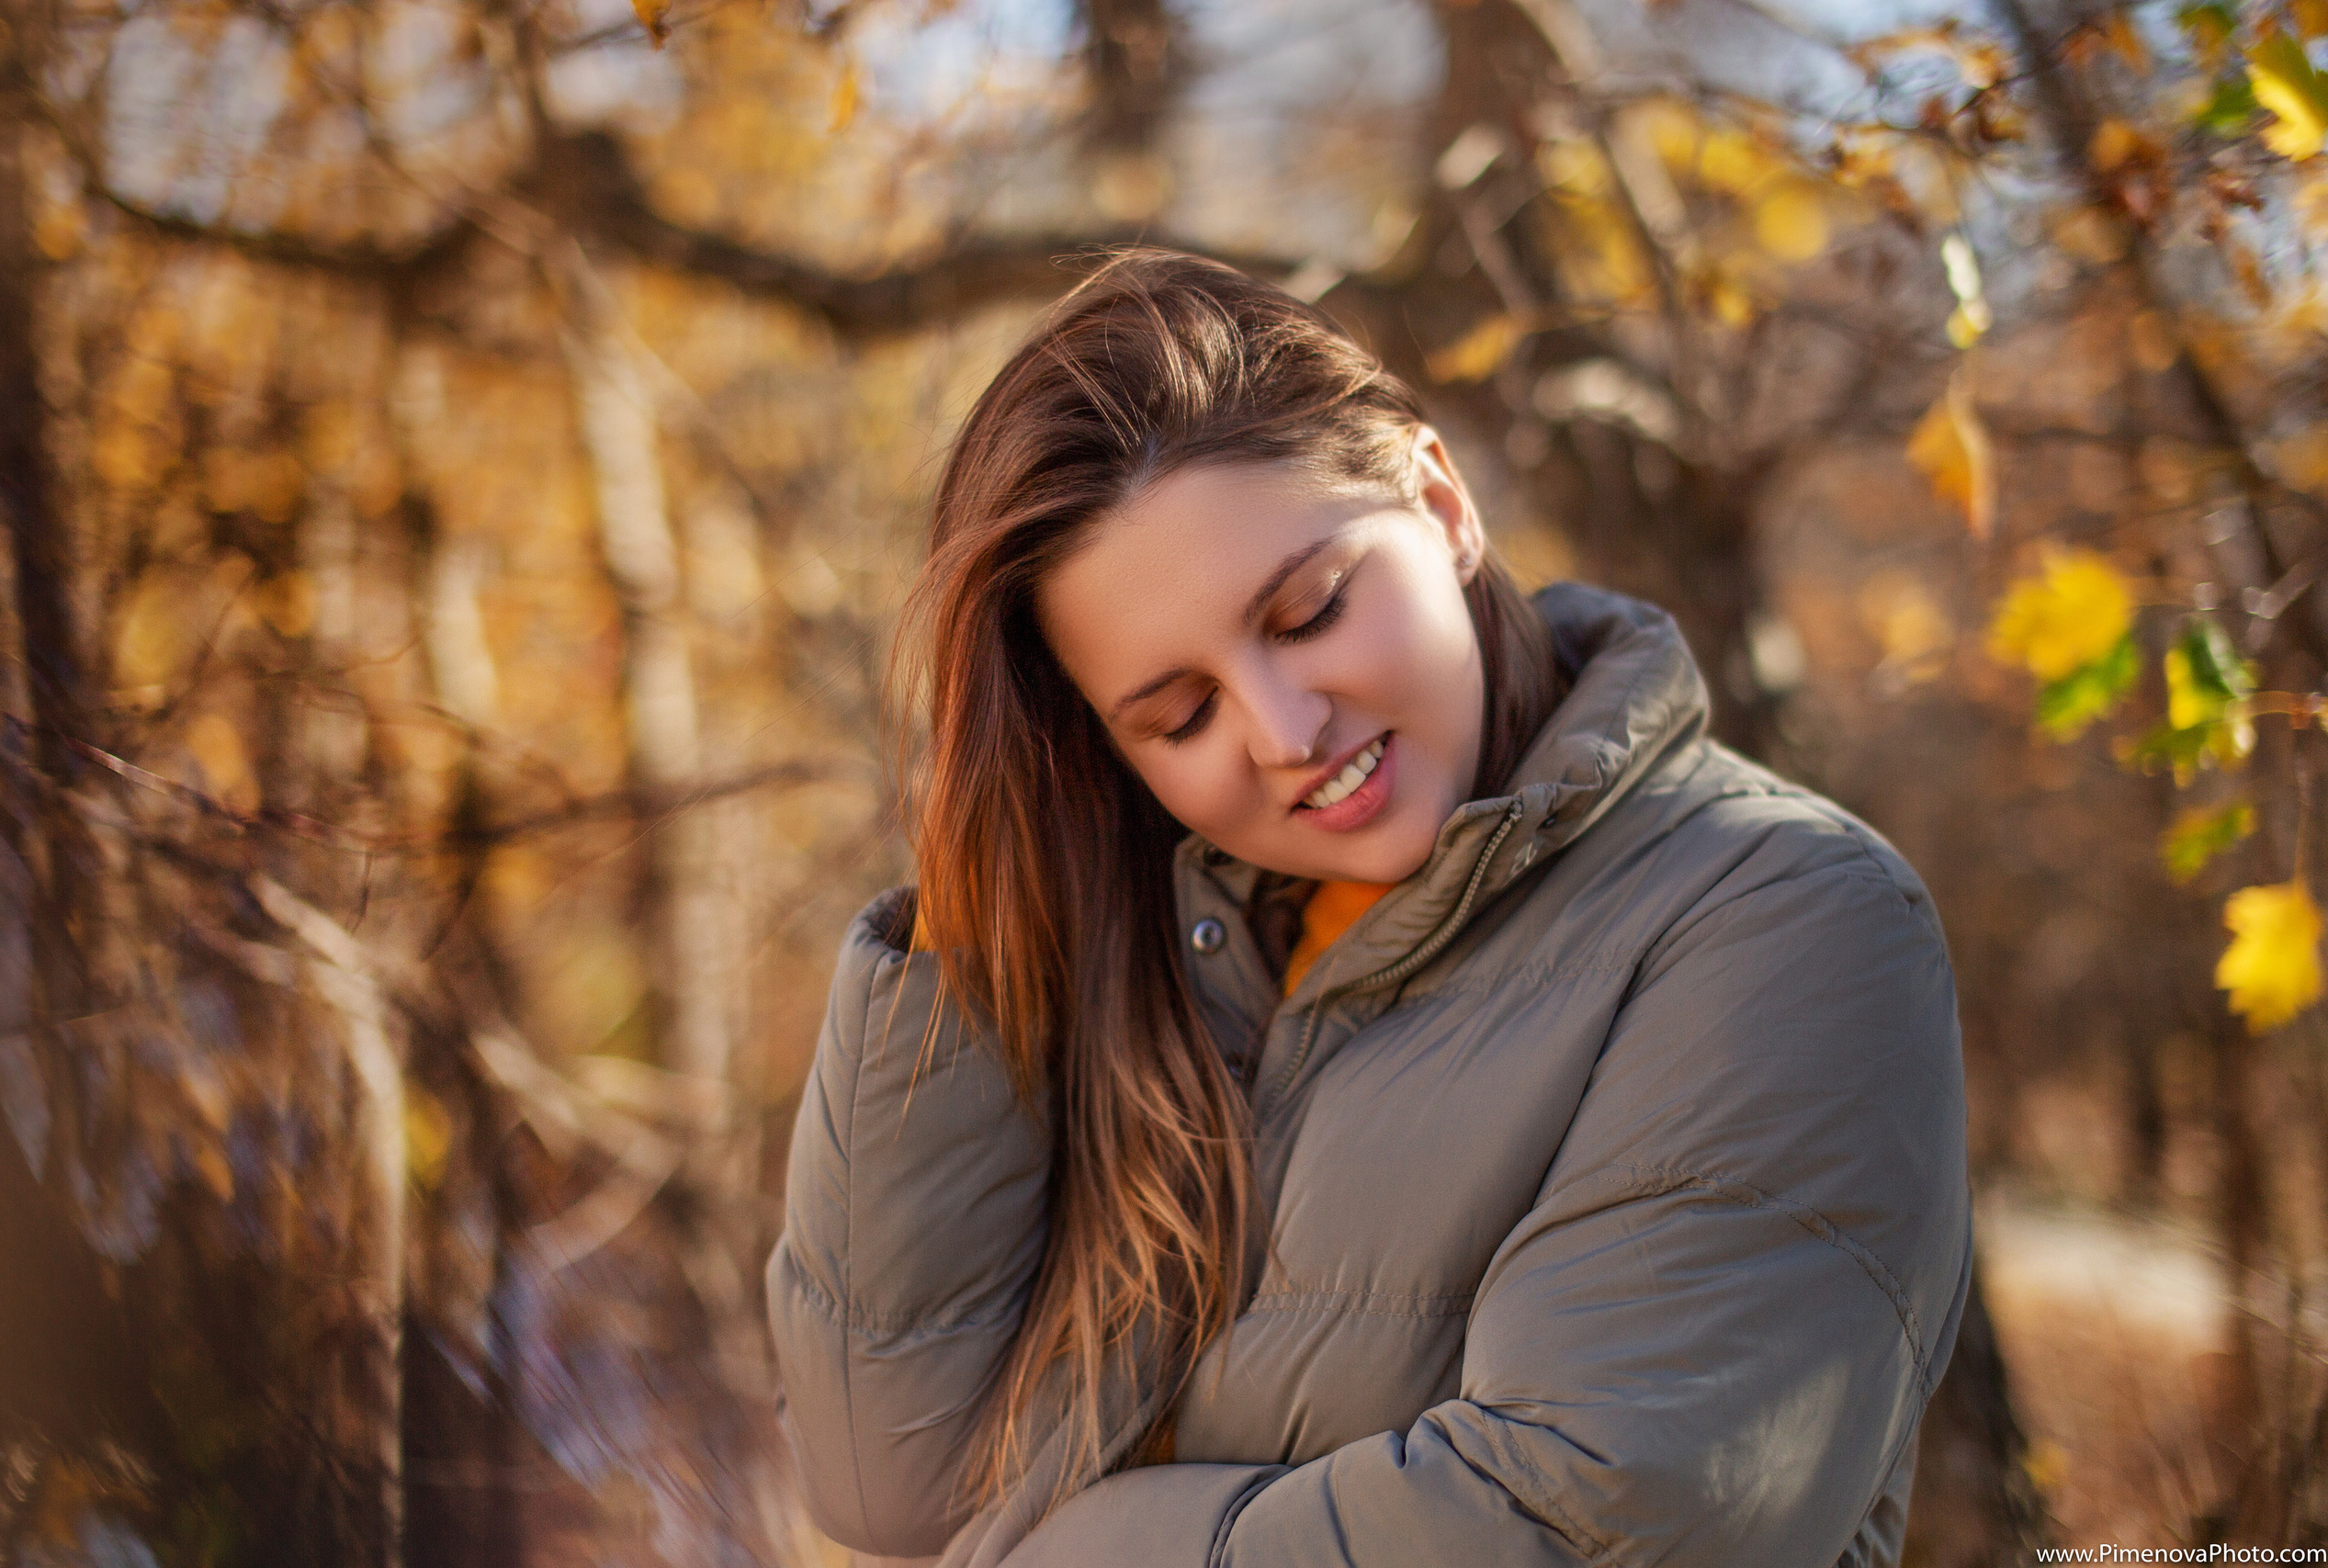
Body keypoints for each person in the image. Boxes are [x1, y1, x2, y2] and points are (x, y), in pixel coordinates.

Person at [764, 248, 1972, 1568]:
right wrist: (975, 931)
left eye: (1311, 610)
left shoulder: (1784, 920)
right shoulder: (1164, 954)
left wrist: (1070, 1545)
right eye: (1179, 715)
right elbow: (885, 1476)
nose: (1283, 732)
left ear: (1442, 502)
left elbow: (1588, 1525)